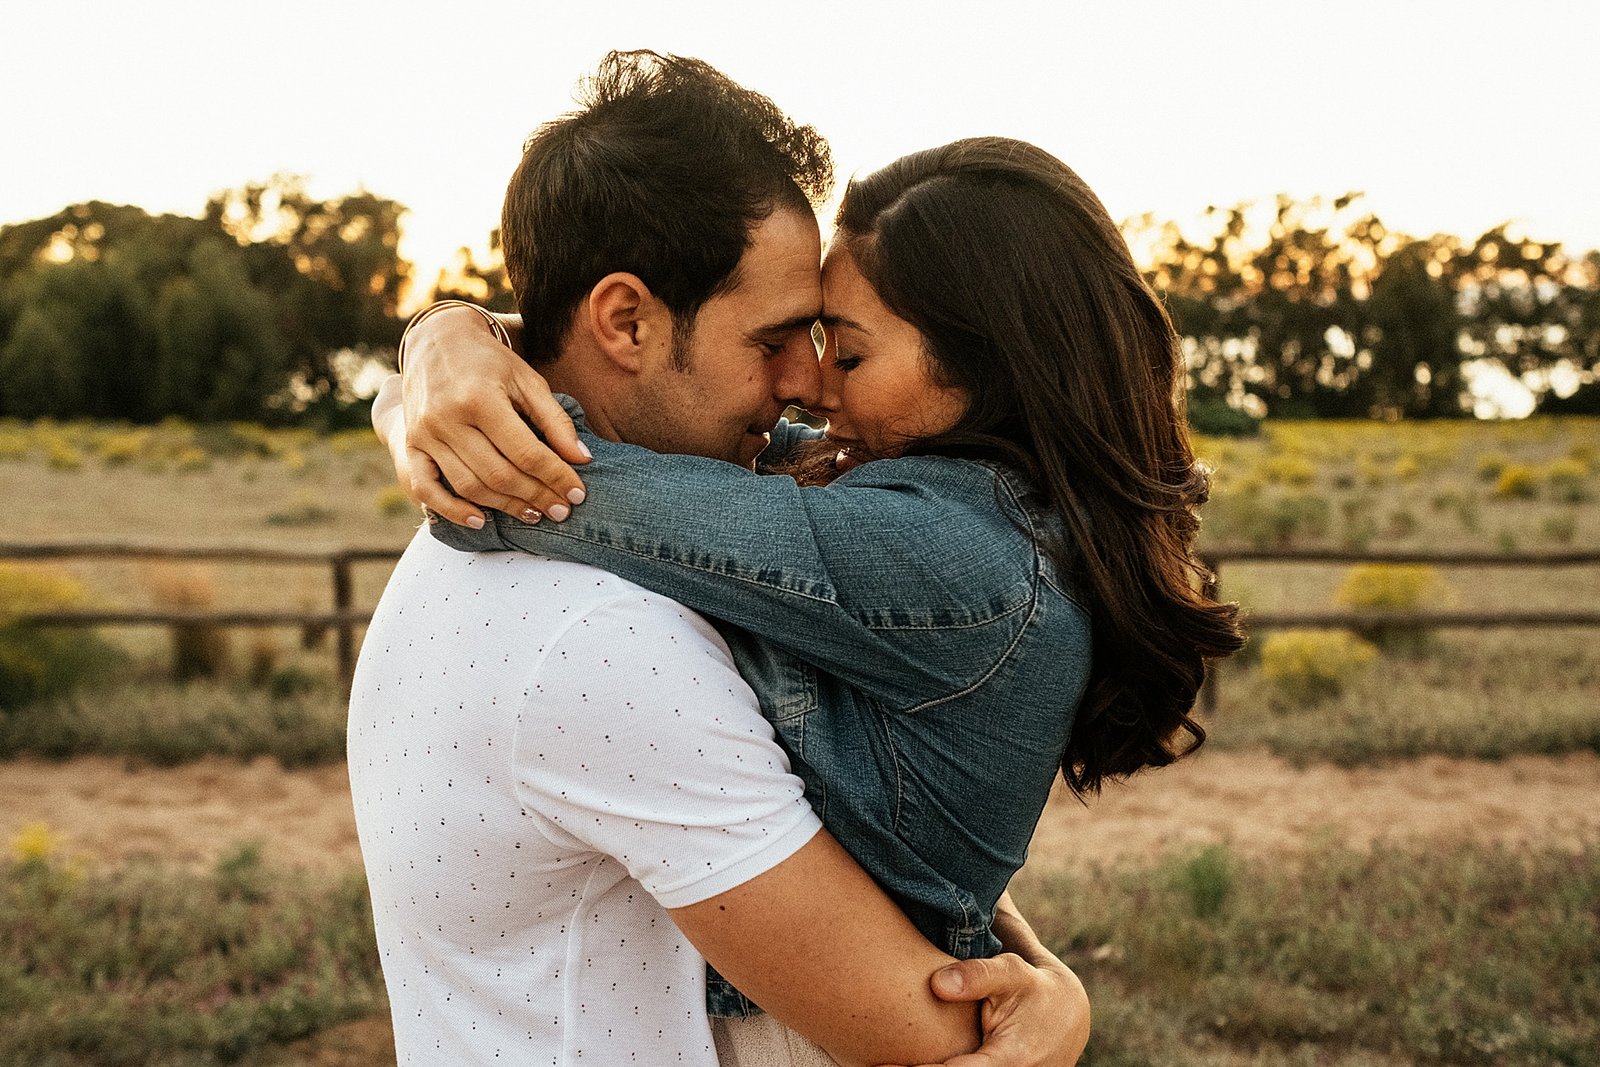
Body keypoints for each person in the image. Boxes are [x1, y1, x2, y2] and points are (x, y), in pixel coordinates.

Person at [352, 52, 1090, 1067]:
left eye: (830, 343)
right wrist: (1053, 1012)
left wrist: (444, 344)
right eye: (774, 340)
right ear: (626, 321)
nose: (806, 385)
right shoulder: (605, 636)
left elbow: (871, 829)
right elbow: (918, 1032)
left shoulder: (582, 562)